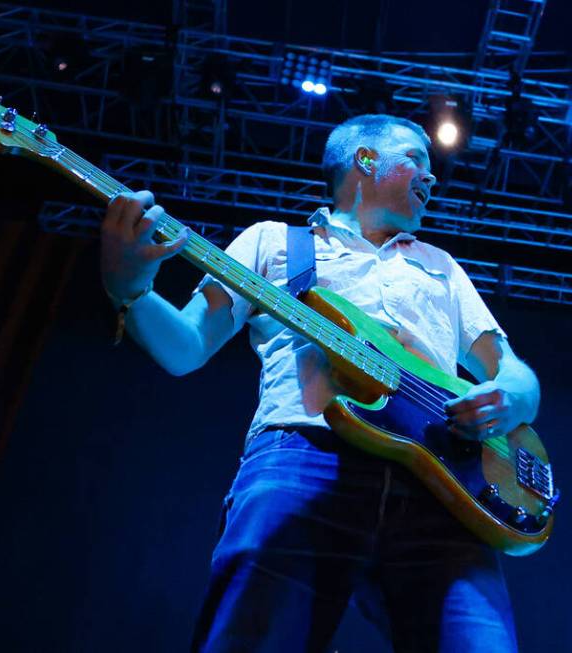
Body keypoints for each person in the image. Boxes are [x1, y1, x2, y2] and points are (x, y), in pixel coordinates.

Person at [99, 114, 541, 652]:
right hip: (303, 456)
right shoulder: (272, 243)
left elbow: (513, 371)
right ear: (367, 160)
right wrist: (131, 290)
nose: (433, 179)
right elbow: (187, 348)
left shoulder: (440, 265)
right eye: (416, 161)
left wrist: (511, 398)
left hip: (441, 488)